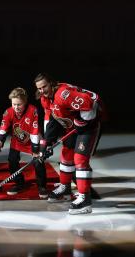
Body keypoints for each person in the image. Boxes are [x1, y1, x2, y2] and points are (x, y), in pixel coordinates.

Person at [34, 72, 102, 215]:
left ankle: (85, 200)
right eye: (39, 88)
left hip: (90, 122)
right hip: (73, 124)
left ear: (51, 83)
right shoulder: (45, 99)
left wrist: (82, 121)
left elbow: (90, 104)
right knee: (66, 154)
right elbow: (52, 121)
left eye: (44, 86)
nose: (41, 91)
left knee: (80, 159)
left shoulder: (62, 94)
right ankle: (65, 187)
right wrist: (45, 143)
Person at [0, 87, 48, 198]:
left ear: (25, 101)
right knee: (12, 161)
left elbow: (34, 130)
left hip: (34, 140)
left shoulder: (33, 110)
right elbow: (4, 127)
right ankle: (19, 183)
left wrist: (35, 149)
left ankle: (42, 186)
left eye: (19, 104)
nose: (16, 107)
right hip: (17, 141)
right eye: (14, 104)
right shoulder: (9, 112)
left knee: (38, 162)